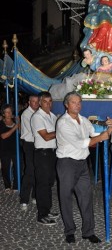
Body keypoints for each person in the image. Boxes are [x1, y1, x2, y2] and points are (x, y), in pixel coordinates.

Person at [56, 91, 112, 244]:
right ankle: (69, 231)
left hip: (82, 163)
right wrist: (101, 137)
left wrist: (109, 128)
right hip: (66, 163)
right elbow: (80, 143)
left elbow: (96, 132)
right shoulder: (63, 123)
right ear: (66, 105)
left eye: (79, 102)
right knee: (66, 198)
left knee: (86, 198)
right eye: (74, 102)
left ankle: (88, 232)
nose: (78, 105)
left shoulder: (83, 120)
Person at [30, 91, 58, 225]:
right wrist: (62, 130)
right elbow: (46, 136)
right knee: (42, 185)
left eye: (50, 101)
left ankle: (47, 210)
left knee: (49, 184)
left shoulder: (52, 116)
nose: (48, 104)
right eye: (45, 102)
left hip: (52, 153)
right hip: (42, 154)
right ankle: (41, 215)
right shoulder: (37, 117)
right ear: (40, 103)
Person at [19, 95, 39, 210]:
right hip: (29, 144)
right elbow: (34, 131)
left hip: (37, 144)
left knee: (37, 170)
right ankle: (24, 199)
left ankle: (35, 195)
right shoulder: (26, 114)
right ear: (29, 102)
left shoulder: (38, 113)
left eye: (37, 101)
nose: (35, 104)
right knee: (30, 171)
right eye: (33, 101)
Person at [0, 104, 20, 193]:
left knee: (17, 167)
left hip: (15, 147)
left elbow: (20, 132)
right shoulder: (1, 123)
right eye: (7, 112)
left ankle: (16, 186)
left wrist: (18, 122)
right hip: (4, 148)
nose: (9, 113)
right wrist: (14, 128)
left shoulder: (14, 121)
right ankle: (7, 186)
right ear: (3, 113)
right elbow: (3, 136)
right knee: (6, 168)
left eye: (10, 111)